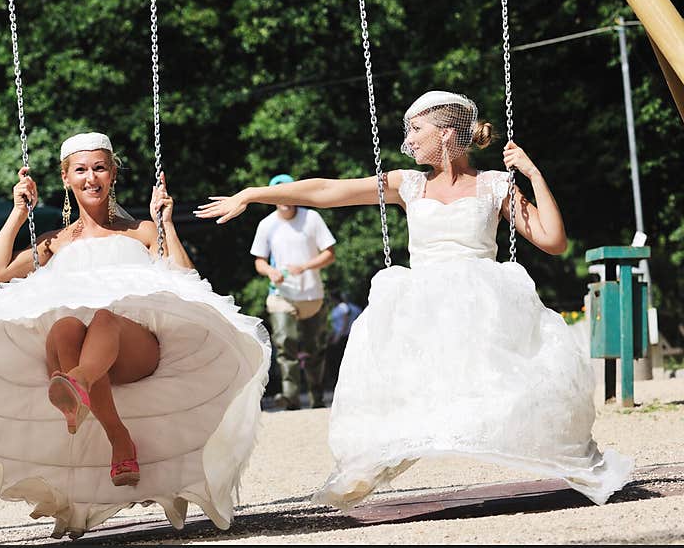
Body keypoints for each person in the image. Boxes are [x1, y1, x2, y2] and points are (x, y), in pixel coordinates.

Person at [196, 90, 633, 508]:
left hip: (483, 299)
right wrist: (254, 194)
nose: (408, 142)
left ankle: (567, 460)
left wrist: (533, 175)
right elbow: (328, 192)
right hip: (423, 298)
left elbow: (553, 241)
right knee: (397, 382)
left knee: (510, 388)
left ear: (445, 133)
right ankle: (367, 465)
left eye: (416, 130)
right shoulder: (408, 184)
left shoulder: (495, 185)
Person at [0, 131, 270, 539]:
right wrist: (18, 214)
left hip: (135, 348)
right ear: (66, 179)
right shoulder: (54, 242)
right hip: (75, 350)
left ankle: (75, 384)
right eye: (81, 170)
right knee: (64, 326)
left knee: (104, 319)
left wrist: (165, 222)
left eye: (99, 168)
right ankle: (116, 434)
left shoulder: (141, 231)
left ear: (113, 174)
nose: (91, 177)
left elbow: (185, 276)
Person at [251, 173, 336, 410]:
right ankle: (290, 396)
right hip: (281, 294)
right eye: (279, 193)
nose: (285, 198)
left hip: (311, 294)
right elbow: (259, 261)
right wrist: (270, 272)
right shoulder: (266, 225)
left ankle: (317, 396)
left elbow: (330, 253)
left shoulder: (312, 218)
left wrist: (306, 266)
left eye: (289, 191)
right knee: (284, 341)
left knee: (313, 349)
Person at [324, 291, 363, 392]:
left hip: (344, 336)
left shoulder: (343, 307)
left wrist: (339, 335)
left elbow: (345, 322)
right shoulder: (338, 308)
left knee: (342, 359)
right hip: (339, 336)